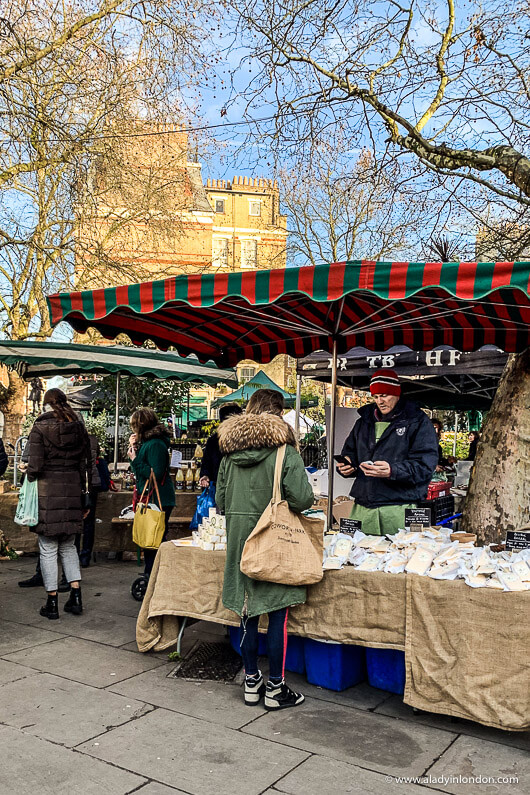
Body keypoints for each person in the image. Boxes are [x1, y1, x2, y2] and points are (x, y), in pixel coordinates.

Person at [216, 388, 314, 711]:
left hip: (239, 543)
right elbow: (303, 499)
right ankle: (275, 688)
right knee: (277, 616)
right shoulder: (285, 452)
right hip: (274, 542)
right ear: (278, 414)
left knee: (246, 614)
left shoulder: (229, 455)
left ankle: (251, 680)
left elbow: (220, 500)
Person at [337, 369, 438, 535]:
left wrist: (393, 470)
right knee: (357, 551)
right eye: (376, 397)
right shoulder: (363, 422)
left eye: (384, 395)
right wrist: (348, 465)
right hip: (363, 507)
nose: (380, 401)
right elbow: (350, 453)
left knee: (403, 551)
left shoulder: (417, 421)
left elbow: (425, 466)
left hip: (400, 507)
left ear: (396, 393)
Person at [25, 388, 91, 620]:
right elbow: (85, 464)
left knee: (48, 548)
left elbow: (34, 465)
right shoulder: (78, 427)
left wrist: (27, 474)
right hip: (72, 490)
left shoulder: (40, 427)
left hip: (47, 492)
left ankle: (51, 602)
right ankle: (76, 596)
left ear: (46, 404)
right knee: (69, 546)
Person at [128, 408, 175, 578]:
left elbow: (155, 474)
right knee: (151, 538)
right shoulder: (150, 443)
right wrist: (134, 450)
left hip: (157, 498)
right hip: (152, 497)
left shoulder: (155, 444)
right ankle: (152, 573)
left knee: (154, 539)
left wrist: (135, 460)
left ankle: (154, 574)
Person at [198, 403, 243, 489]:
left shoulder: (214, 440)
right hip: (239, 487)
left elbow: (206, 463)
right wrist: (205, 475)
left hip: (219, 486)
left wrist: (205, 475)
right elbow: (206, 463)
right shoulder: (247, 439)